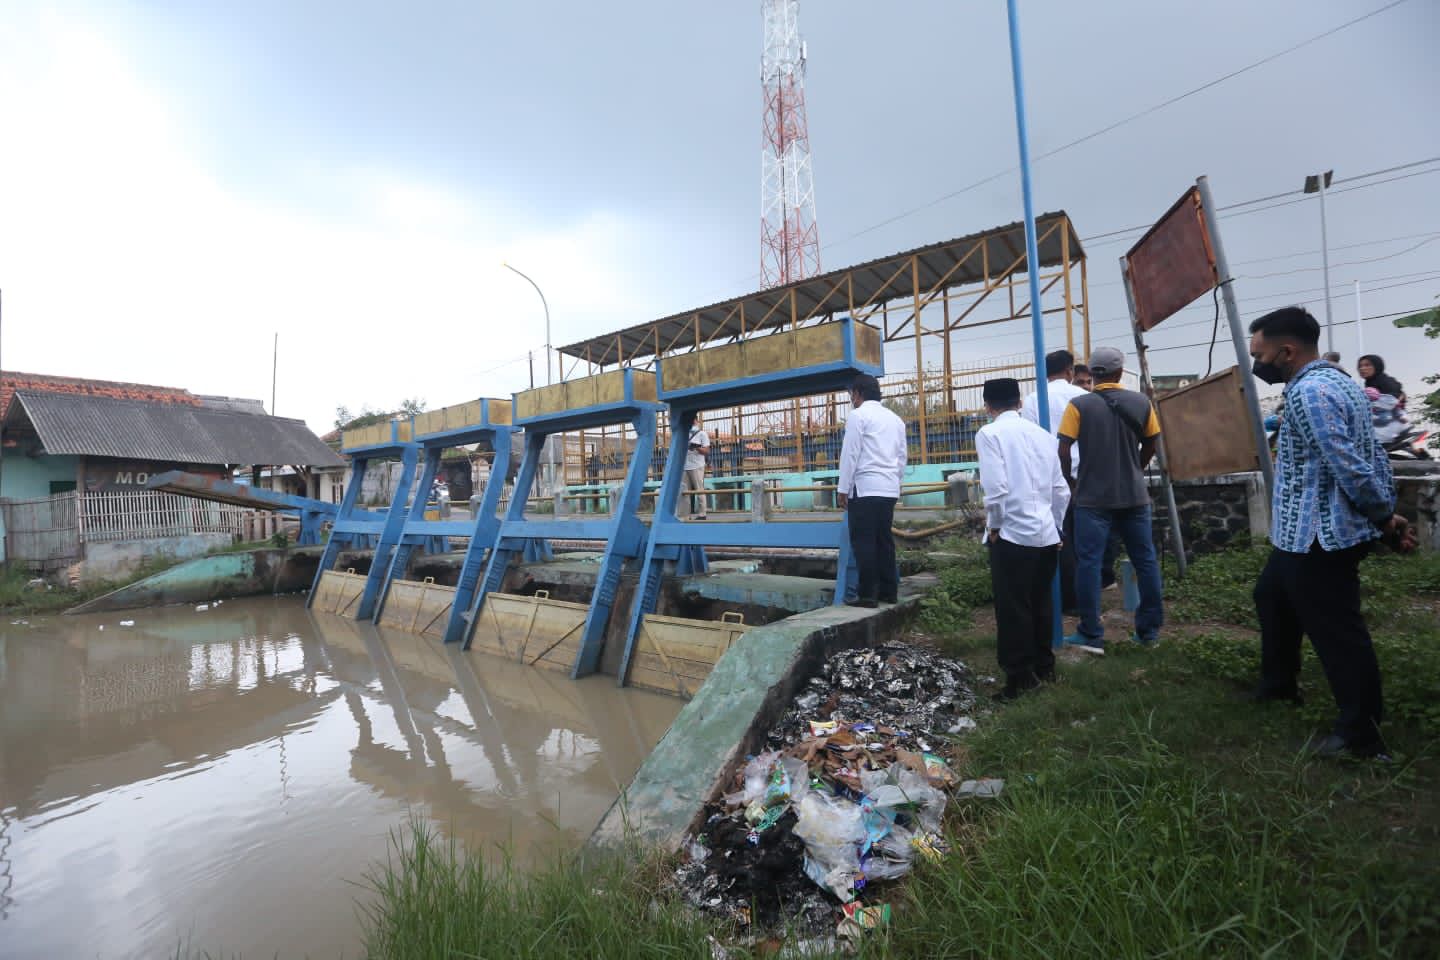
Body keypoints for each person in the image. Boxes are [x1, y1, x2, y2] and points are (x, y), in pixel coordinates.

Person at [1248, 307, 1415, 759]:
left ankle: (1360, 736)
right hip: (1298, 533)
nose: (1256, 365)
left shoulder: (1313, 394)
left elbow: (1350, 463)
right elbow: (1371, 454)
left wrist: (1383, 517)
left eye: (1259, 355)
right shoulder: (1337, 382)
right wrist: (1386, 514)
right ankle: (1279, 687)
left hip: (1320, 536)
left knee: (1339, 634)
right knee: (1271, 597)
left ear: (1287, 351)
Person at [1056, 346, 1165, 652]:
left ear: (1091, 373)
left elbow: (1063, 449)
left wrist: (1071, 482)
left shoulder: (1078, 405)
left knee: (1088, 563)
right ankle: (1148, 632)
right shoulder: (1142, 402)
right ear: (1119, 372)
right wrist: (1136, 468)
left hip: (1092, 497)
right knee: (1145, 561)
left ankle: (1091, 634)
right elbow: (1152, 442)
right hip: (1134, 495)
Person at [976, 377, 1070, 700]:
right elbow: (1061, 490)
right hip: (1045, 535)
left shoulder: (989, 434)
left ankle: (1020, 679)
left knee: (1013, 608)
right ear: (1019, 402)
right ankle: (1045, 667)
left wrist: (995, 526)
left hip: (1012, 535)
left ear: (988, 406)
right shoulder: (1044, 436)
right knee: (1041, 603)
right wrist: (1057, 528)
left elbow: (997, 488)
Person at [1020, 349, 1089, 611]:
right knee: (1085, 539)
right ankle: (1083, 599)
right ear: (1070, 371)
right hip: (1083, 475)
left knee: (1058, 537)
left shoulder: (1033, 400)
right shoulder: (1083, 397)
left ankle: (1059, 596)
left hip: (1049, 476)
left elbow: (1032, 440)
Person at [837, 374, 907, 608]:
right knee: (884, 540)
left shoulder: (858, 416)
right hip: (888, 489)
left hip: (865, 488)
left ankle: (867, 595)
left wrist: (842, 488)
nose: (852, 400)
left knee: (864, 541)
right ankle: (889, 591)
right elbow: (901, 457)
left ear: (857, 394)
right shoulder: (895, 419)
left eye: (852, 395)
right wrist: (896, 483)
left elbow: (851, 454)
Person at [683, 415, 711, 519]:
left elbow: (707, 451)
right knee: (685, 492)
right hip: (685, 466)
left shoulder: (702, 434)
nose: (692, 422)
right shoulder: (684, 433)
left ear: (696, 420)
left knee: (699, 489)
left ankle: (702, 514)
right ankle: (686, 514)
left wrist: (696, 447)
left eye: (693, 420)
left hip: (697, 466)